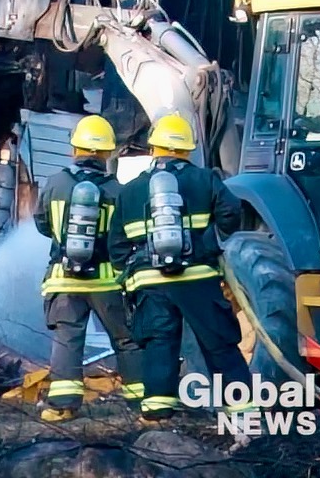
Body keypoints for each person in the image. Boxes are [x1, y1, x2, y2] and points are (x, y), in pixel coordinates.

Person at [108, 113, 253, 422]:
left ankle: (157, 413)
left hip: (149, 282)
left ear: (154, 148)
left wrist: (134, 271)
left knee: (159, 344)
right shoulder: (206, 178)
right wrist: (210, 242)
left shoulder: (130, 190)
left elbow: (116, 245)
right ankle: (243, 413)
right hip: (197, 279)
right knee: (219, 344)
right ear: (187, 150)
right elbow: (231, 213)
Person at [33, 115, 145, 423]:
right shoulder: (119, 191)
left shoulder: (55, 184)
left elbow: (42, 225)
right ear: (108, 153)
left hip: (65, 280)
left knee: (68, 338)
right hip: (108, 283)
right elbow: (130, 235)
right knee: (126, 340)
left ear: (75, 150)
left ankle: (63, 406)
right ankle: (141, 405)